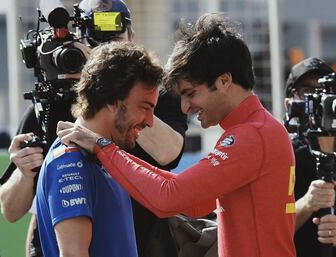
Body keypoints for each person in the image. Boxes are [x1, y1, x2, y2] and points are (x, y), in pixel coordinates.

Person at [57, 13, 296, 257]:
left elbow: (169, 198)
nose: (185, 108)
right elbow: (192, 202)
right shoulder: (257, 129)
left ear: (224, 81)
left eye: (190, 93)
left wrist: (103, 147)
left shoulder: (251, 135)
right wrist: (107, 150)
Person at [0, 1, 186, 256]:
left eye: (115, 39)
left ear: (132, 36)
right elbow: (11, 212)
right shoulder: (54, 102)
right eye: (98, 42)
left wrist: (122, 91)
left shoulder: (156, 96)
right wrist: (25, 172)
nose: (108, 52)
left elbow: (169, 153)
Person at [37, 41, 163, 257]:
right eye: (144, 107)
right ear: (112, 100)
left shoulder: (106, 155)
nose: (150, 122)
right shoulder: (69, 160)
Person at [284, 57, 336, 257]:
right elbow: (266, 229)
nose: (318, 99)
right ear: (289, 103)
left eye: (326, 92)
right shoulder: (282, 153)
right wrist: (307, 204)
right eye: (307, 91)